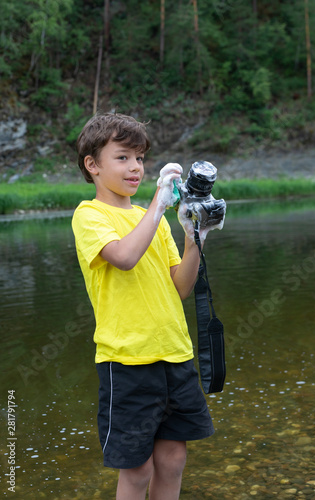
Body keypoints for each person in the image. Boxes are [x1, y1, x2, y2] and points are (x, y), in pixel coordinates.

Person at [72, 112, 215, 500]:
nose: (135, 167)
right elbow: (123, 257)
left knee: (172, 461)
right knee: (137, 469)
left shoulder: (154, 220)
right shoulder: (90, 215)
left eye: (139, 158)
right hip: (128, 361)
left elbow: (180, 287)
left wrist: (194, 236)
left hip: (174, 353)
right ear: (93, 165)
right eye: (122, 157)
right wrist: (158, 204)